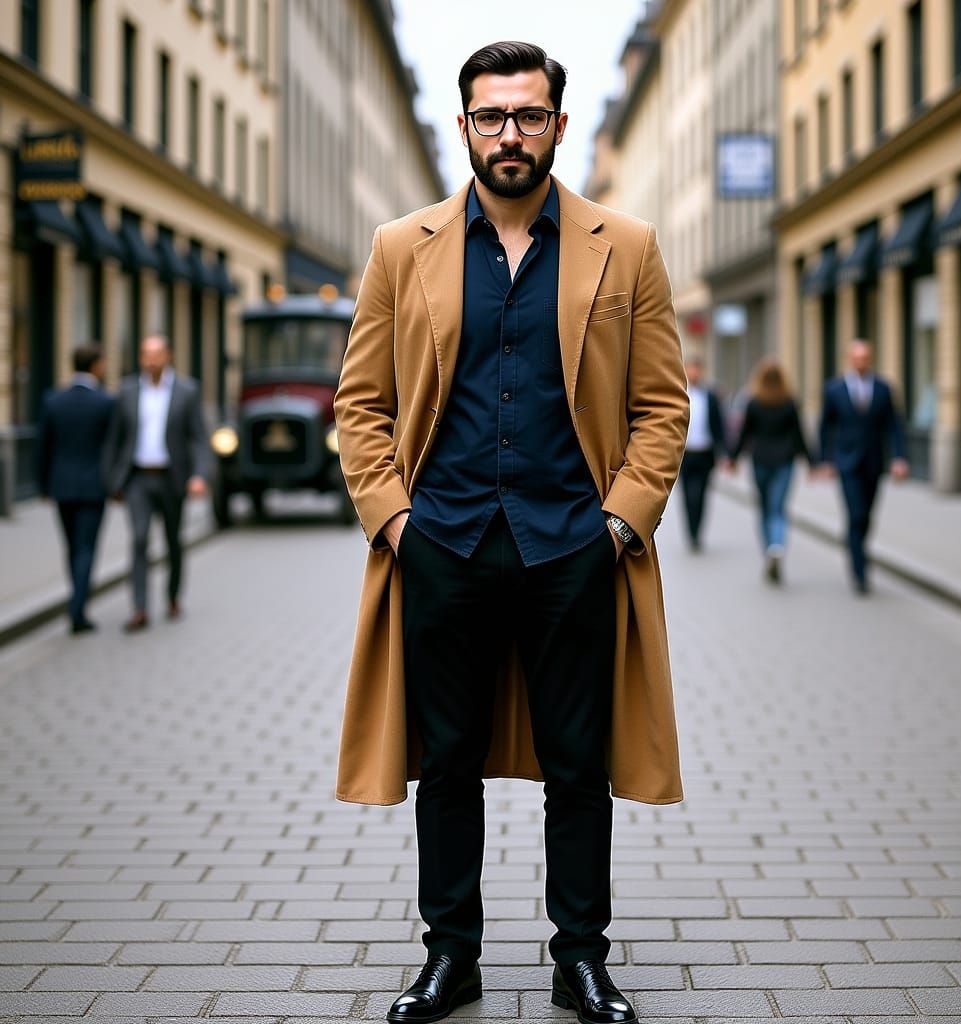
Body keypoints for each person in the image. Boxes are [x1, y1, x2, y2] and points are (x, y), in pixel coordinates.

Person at [334, 41, 689, 1024]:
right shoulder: (401, 246)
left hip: (574, 549)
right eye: (490, 116)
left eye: (528, 115)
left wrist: (618, 523)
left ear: (558, 127)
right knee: (445, 764)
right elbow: (360, 404)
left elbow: (663, 406)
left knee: (579, 766)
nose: (509, 134)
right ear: (464, 127)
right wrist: (396, 524)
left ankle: (580, 958)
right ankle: (453, 956)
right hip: (441, 547)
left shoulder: (627, 244)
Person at [105, 335, 209, 631]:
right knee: (139, 539)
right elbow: (115, 440)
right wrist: (113, 482)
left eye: (156, 354)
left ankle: (173, 596)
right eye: (145, 354)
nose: (151, 359)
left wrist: (199, 475)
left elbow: (199, 438)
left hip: (172, 478)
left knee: (173, 540)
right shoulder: (126, 391)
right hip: (138, 477)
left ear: (168, 356)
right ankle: (139, 607)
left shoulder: (187, 391)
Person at [818, 339, 908, 594]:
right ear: (849, 359)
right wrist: (825, 460)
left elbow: (894, 426)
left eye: (865, 357)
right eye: (856, 357)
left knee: (867, 516)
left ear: (870, 359)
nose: (861, 362)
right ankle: (859, 571)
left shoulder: (883, 389)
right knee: (856, 514)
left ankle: (858, 548)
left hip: (874, 462)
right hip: (846, 463)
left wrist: (900, 458)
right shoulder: (834, 389)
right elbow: (826, 426)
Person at [37, 344, 116, 634]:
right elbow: (112, 447)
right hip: (94, 487)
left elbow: (42, 447)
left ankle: (77, 601)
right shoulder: (105, 403)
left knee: (71, 548)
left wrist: (43, 486)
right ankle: (78, 608)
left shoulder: (53, 400)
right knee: (86, 548)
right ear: (96, 366)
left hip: (62, 486)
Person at [725, 358, 815, 584]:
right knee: (778, 508)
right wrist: (812, 463)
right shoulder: (790, 403)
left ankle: (769, 550)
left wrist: (733, 458)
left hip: (760, 460)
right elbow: (799, 435)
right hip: (785, 462)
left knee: (764, 508)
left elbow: (745, 434)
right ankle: (777, 546)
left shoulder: (754, 402)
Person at [677, 355, 725, 551]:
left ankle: (698, 533)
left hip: (705, 453)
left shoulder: (710, 396)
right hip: (685, 454)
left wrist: (724, 453)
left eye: (697, 369)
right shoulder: (680, 395)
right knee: (688, 495)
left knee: (702, 495)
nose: (694, 373)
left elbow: (718, 425)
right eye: (691, 369)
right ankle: (691, 532)